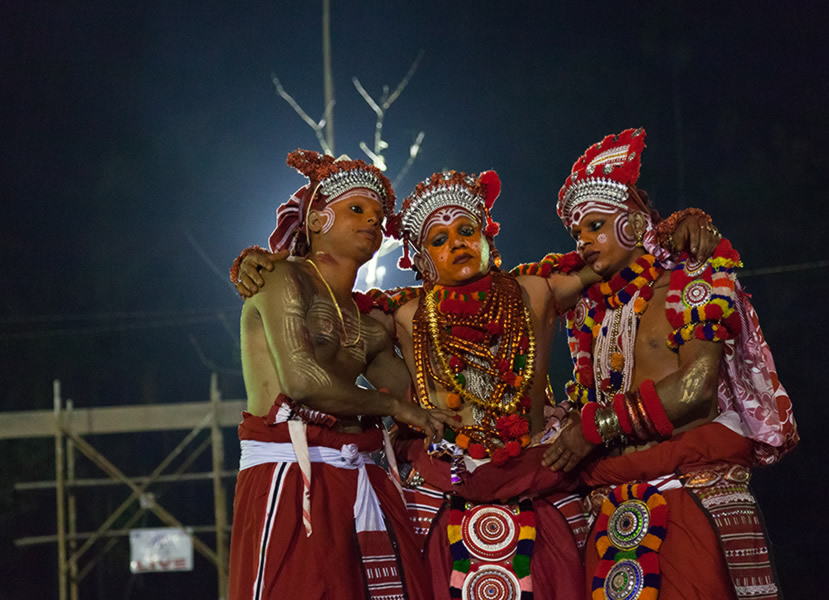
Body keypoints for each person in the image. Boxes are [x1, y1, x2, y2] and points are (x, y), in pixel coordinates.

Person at [234, 167, 717, 600]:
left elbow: (616, 255)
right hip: (443, 493)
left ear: (489, 242)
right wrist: (264, 264)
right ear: (424, 262)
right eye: (439, 240)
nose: (457, 244)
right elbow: (344, 360)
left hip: (539, 478)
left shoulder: (537, 290)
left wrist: (672, 228)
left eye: (467, 231)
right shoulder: (402, 313)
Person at [535, 128, 798, 599]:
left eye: (596, 226)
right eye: (578, 232)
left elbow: (695, 389)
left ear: (633, 225)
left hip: (690, 492)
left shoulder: (691, 278)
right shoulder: (590, 308)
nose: (585, 241)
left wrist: (595, 429)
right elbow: (521, 294)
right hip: (612, 504)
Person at [229, 149, 453, 600]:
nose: (372, 221)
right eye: (357, 209)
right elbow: (303, 383)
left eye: (378, 216)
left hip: (359, 476)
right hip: (292, 476)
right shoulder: (278, 279)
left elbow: (420, 398)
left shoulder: (369, 322)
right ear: (315, 221)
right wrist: (392, 406)